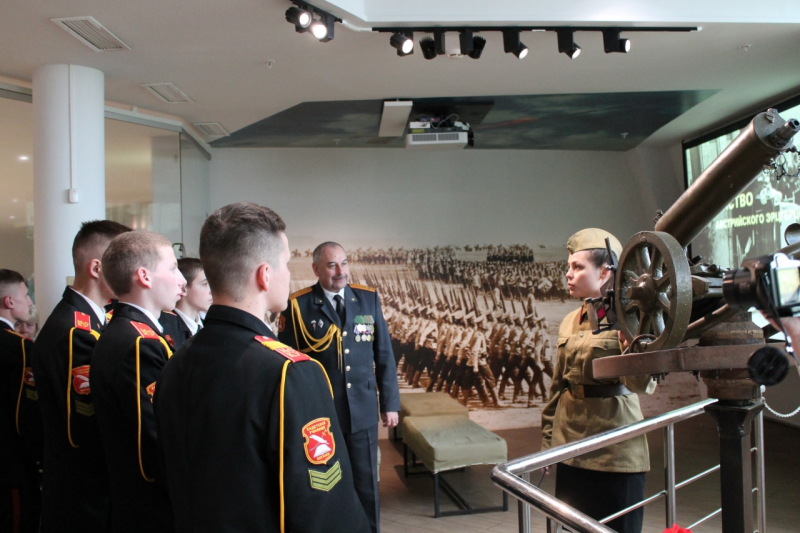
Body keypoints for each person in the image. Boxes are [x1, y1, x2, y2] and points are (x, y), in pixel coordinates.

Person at [154, 203, 370, 533]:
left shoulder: (176, 361)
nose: (288, 274)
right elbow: (325, 508)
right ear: (264, 275)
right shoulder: (290, 373)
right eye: (286, 263)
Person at [278, 241, 400, 533]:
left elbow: (383, 355)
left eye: (344, 263)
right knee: (326, 483)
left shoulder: (367, 299)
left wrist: (390, 404)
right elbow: (287, 365)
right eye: (332, 265)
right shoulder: (298, 306)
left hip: (362, 411)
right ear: (316, 269)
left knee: (366, 484)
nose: (340, 271)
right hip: (321, 415)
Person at [541, 228, 656, 533]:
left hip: (614, 450)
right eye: (569, 266)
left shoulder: (631, 317)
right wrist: (548, 442)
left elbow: (643, 385)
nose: (568, 274)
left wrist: (632, 347)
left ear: (605, 272)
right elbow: (558, 387)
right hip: (571, 447)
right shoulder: (570, 321)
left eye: (577, 267)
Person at [30, 220, 131, 533]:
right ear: (97, 268)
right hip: (85, 496)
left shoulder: (93, 321)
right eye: (121, 263)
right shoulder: (76, 331)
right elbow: (86, 428)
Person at [90, 231, 186, 532]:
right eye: (173, 268)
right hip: (151, 507)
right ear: (144, 276)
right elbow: (156, 439)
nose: (182, 280)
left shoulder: (130, 331)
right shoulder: (139, 343)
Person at [0, 269, 42, 532]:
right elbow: (25, 414)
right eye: (25, 295)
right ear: (9, 301)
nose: (29, 301)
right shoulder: (18, 348)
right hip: (10, 462)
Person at [172, 257, 212, 343]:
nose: (211, 291)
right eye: (204, 284)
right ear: (183, 288)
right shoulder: (169, 328)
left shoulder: (209, 325)